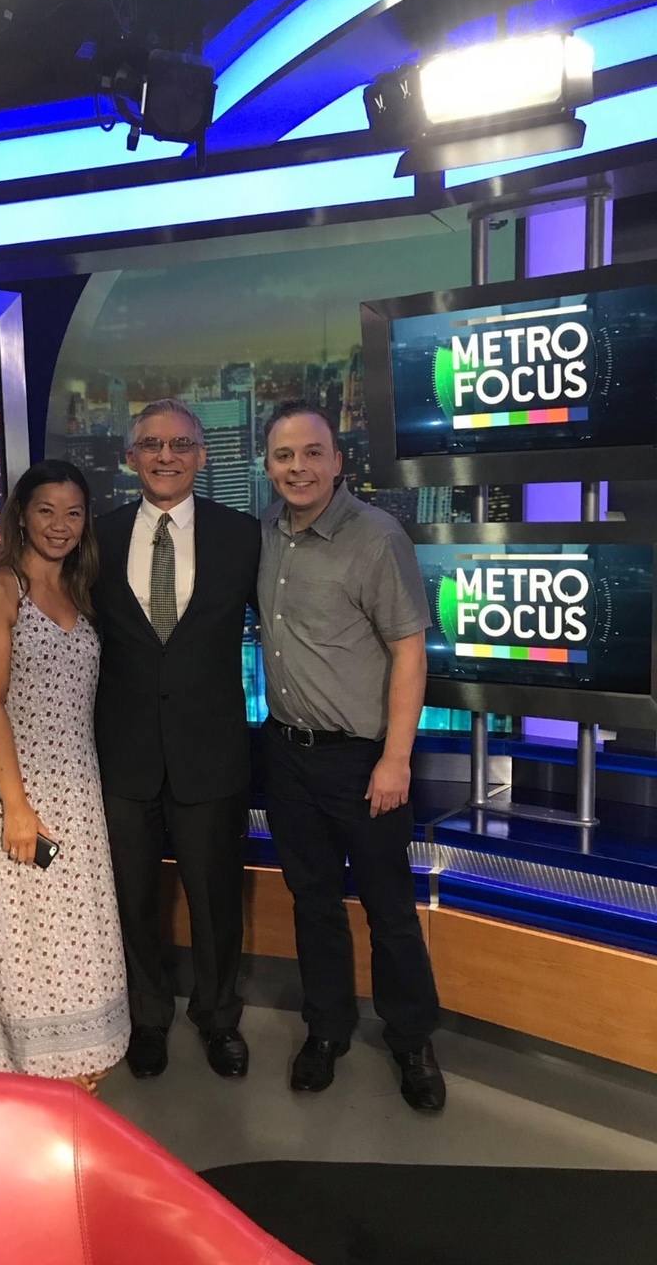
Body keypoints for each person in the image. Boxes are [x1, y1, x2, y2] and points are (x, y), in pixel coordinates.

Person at [258, 401, 445, 1111]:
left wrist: (395, 759)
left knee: (389, 908)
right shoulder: (268, 535)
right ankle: (327, 1029)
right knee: (312, 902)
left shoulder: (375, 538)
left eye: (312, 454)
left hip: (361, 760)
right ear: (268, 465)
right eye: (283, 456)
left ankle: (410, 1038)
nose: (298, 468)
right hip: (286, 753)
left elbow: (408, 652)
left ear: (338, 462)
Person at [93, 398, 261, 1079]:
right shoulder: (96, 535)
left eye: (181, 445)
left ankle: (219, 1018)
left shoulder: (242, 534)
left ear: (203, 455)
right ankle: (148, 1017)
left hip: (211, 752)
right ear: (132, 457)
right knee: (132, 898)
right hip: (124, 752)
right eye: (152, 445)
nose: (166, 456)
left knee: (215, 897)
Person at [0, 460, 130, 1094]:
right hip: (25, 790)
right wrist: (15, 804)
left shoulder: (79, 589)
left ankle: (80, 1072)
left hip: (79, 789)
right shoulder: (0, 588)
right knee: (32, 936)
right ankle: (35, 1077)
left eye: (73, 512)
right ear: (21, 516)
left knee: (81, 931)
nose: (60, 525)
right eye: (46, 511)